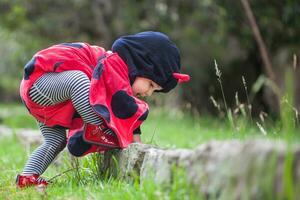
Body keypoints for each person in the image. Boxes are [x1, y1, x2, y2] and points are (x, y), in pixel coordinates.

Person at [16, 31, 190, 188]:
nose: (148, 92)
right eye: (150, 84)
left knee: (55, 142)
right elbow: (125, 107)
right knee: (78, 80)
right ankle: (95, 128)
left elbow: (128, 115)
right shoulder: (114, 64)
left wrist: (136, 144)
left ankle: (28, 177)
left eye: (154, 91)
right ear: (139, 64)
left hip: (47, 102)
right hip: (42, 82)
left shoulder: (119, 80)